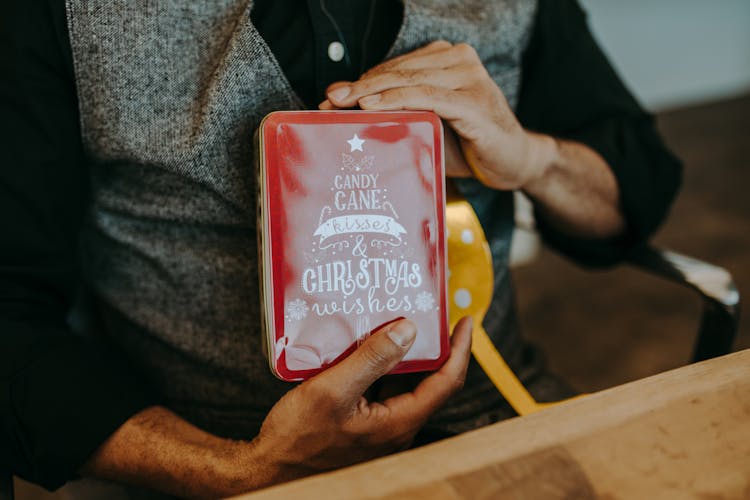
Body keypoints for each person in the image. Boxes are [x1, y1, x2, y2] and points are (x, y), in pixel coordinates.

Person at [0, 0, 681, 497]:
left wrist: (530, 159)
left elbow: (636, 190)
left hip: (496, 417)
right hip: (208, 458)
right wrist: (236, 469)